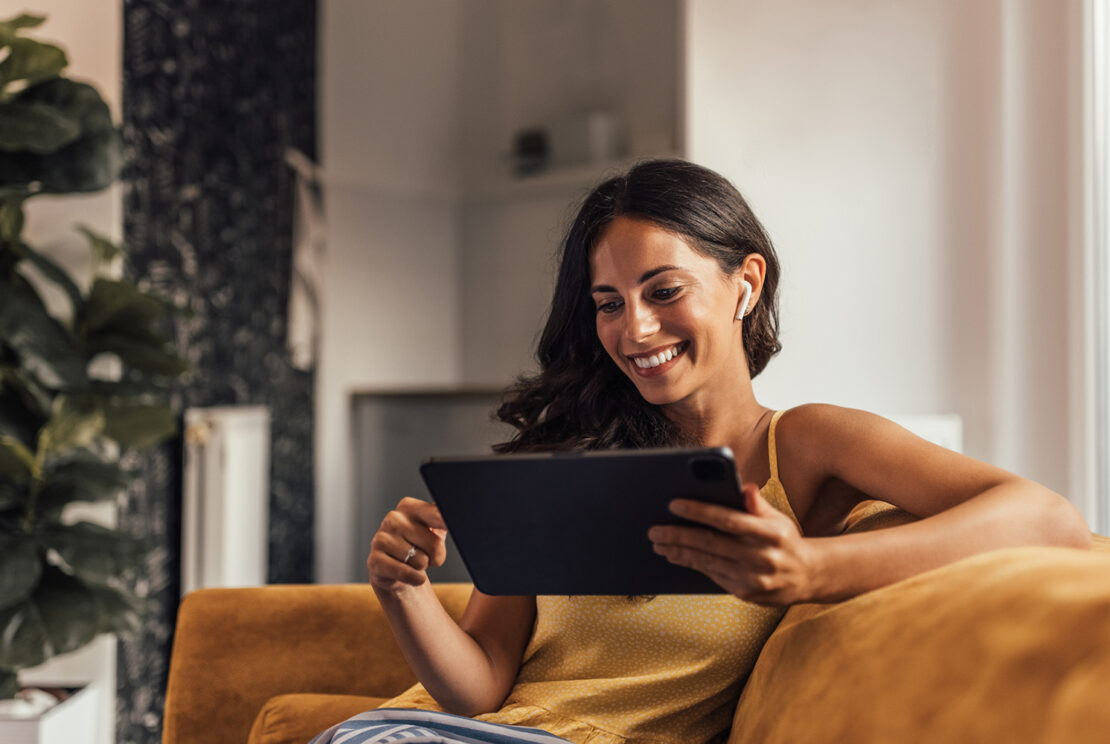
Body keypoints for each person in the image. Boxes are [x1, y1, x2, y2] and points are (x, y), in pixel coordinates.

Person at [311, 159, 1091, 744]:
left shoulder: (804, 444)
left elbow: (1047, 518)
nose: (635, 331)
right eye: (609, 304)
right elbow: (480, 686)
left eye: (663, 291)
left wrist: (812, 570)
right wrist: (402, 590)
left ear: (745, 282)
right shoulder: (567, 459)